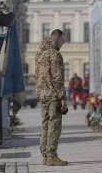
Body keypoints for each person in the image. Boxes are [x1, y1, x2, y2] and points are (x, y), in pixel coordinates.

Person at [35, 29, 68, 166]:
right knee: (54, 125)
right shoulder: (54, 54)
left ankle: (45, 155)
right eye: (62, 40)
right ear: (56, 39)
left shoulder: (40, 54)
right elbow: (57, 78)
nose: (63, 43)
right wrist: (63, 98)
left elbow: (37, 75)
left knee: (45, 125)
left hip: (43, 95)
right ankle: (51, 156)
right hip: (53, 95)